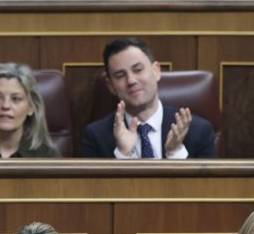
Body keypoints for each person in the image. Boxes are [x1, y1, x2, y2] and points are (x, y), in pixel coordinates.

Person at [80, 37, 216, 158]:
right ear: (111, 86)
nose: (131, 80)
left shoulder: (198, 131)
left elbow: (208, 186)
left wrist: (175, 154)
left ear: (156, 71)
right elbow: (95, 187)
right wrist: (122, 155)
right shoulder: (95, 137)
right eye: (120, 75)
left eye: (138, 70)